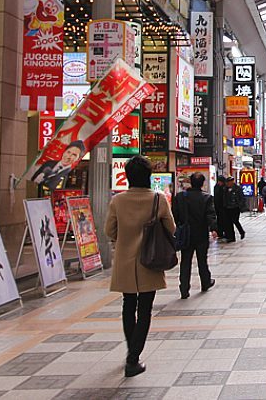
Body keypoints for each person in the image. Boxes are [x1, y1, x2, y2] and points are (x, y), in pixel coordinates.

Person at [105, 155, 176, 378]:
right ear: (149, 176)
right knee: (145, 309)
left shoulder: (118, 201)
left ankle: (131, 352)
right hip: (150, 260)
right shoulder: (158, 199)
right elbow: (171, 229)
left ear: (127, 176)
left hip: (125, 261)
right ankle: (133, 358)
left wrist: (124, 238)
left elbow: (109, 231)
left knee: (128, 304)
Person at [172, 173, 217, 299]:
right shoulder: (206, 198)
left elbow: (174, 214)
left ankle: (184, 289)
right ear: (203, 183)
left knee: (185, 261)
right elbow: (210, 215)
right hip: (201, 234)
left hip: (185, 235)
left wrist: (178, 228)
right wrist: (213, 229)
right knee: (202, 260)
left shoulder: (180, 197)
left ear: (190, 182)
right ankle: (205, 282)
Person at [225, 176, 246, 241]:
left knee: (235, 220)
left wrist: (240, 205)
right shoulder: (225, 189)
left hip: (235, 207)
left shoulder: (237, 188)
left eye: (229, 182)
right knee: (229, 222)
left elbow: (242, 198)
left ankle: (241, 232)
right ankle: (231, 237)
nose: (228, 184)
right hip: (228, 207)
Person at [214, 175, 230, 243]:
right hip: (219, 207)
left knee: (224, 220)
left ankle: (224, 233)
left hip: (223, 207)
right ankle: (220, 233)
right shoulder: (218, 187)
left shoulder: (223, 187)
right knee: (220, 220)